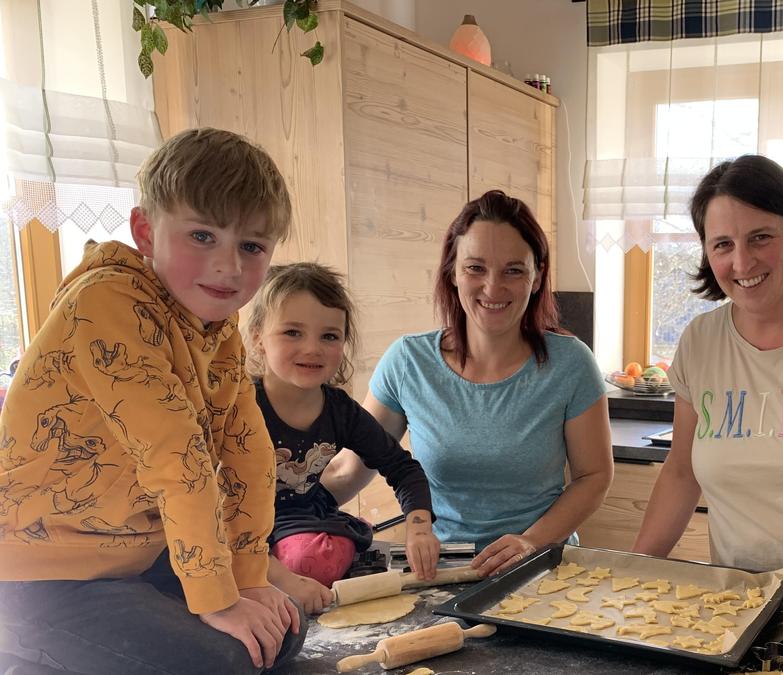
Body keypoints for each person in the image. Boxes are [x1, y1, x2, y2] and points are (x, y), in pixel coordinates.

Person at [0, 128, 305, 673]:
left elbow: (247, 453)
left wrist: (247, 577)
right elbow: (177, 456)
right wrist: (217, 600)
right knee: (226, 659)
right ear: (146, 230)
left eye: (252, 246)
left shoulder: (219, 330)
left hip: (130, 556)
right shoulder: (106, 302)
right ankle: (27, 653)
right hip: (37, 571)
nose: (229, 266)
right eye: (203, 236)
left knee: (281, 634)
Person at [321, 190, 613, 577]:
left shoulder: (571, 364)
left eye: (514, 270)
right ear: (452, 272)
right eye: (476, 267)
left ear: (538, 275)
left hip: (542, 566)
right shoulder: (409, 363)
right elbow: (349, 469)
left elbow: (594, 476)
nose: (493, 288)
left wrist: (531, 541)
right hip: (442, 571)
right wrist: (272, 517)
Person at [632, 155, 783, 587]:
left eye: (760, 238)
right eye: (722, 244)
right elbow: (682, 471)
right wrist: (631, 571)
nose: (742, 263)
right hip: (736, 601)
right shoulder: (701, 341)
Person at [242, 262, 439, 615]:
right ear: (258, 336)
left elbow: (402, 467)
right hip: (240, 527)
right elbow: (213, 513)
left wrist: (419, 526)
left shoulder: (339, 411)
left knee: (318, 556)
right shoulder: (240, 409)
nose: (312, 348)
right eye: (292, 333)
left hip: (305, 519)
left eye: (329, 336)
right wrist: (284, 579)